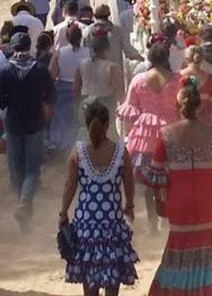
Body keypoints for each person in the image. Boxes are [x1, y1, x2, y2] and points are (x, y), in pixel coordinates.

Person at [142, 78, 212, 294]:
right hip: (208, 202)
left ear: (178, 107)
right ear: (199, 106)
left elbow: (155, 173)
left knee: (179, 249)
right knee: (210, 248)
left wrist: (158, 200)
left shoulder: (166, 134)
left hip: (178, 202)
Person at [59, 104, 139, 295]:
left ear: (86, 125)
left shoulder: (78, 152)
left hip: (86, 224)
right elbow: (129, 183)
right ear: (108, 124)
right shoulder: (120, 152)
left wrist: (63, 213)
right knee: (113, 277)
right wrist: (129, 206)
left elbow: (70, 186)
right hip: (112, 223)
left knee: (90, 282)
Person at [118, 44, 182, 233]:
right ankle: (168, 218)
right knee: (172, 178)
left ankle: (152, 223)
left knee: (149, 180)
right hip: (173, 131)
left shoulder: (139, 80)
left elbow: (130, 110)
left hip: (145, 134)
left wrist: (130, 135)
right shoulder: (178, 79)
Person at [0, 33, 56, 227]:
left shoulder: (5, 70)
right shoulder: (40, 69)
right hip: (35, 123)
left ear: (12, 48)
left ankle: (22, 203)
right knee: (32, 168)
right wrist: (44, 105)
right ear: (29, 46)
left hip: (13, 124)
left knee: (15, 167)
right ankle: (25, 203)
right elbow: (51, 95)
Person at [76, 34, 126, 141]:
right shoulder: (112, 67)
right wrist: (123, 104)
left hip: (86, 102)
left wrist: (76, 104)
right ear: (107, 49)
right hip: (106, 104)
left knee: (86, 133)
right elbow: (118, 89)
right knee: (109, 133)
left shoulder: (82, 64)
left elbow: (76, 87)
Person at [49, 24, 90, 154]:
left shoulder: (60, 52)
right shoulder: (88, 52)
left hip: (63, 89)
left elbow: (52, 74)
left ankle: (62, 145)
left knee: (62, 119)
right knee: (78, 119)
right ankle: (77, 146)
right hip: (82, 89)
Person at [83, 3, 144, 71]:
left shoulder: (87, 31)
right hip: (114, 71)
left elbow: (83, 53)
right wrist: (142, 59)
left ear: (95, 15)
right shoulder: (119, 31)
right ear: (109, 14)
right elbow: (129, 51)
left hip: (93, 72)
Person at [180, 45, 212, 124]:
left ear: (186, 58)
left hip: (184, 122)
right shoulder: (210, 78)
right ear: (202, 59)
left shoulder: (180, 76)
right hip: (204, 123)